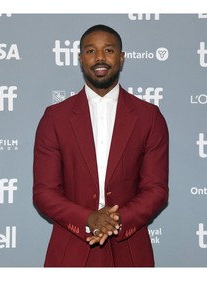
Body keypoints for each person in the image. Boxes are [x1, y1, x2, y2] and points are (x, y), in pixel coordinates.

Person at [33, 24, 169, 267]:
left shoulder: (149, 117)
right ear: (80, 58)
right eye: (90, 51)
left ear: (122, 57)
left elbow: (156, 189)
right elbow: (44, 192)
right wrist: (88, 219)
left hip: (130, 250)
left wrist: (116, 221)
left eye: (108, 50)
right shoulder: (55, 118)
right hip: (71, 249)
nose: (100, 58)